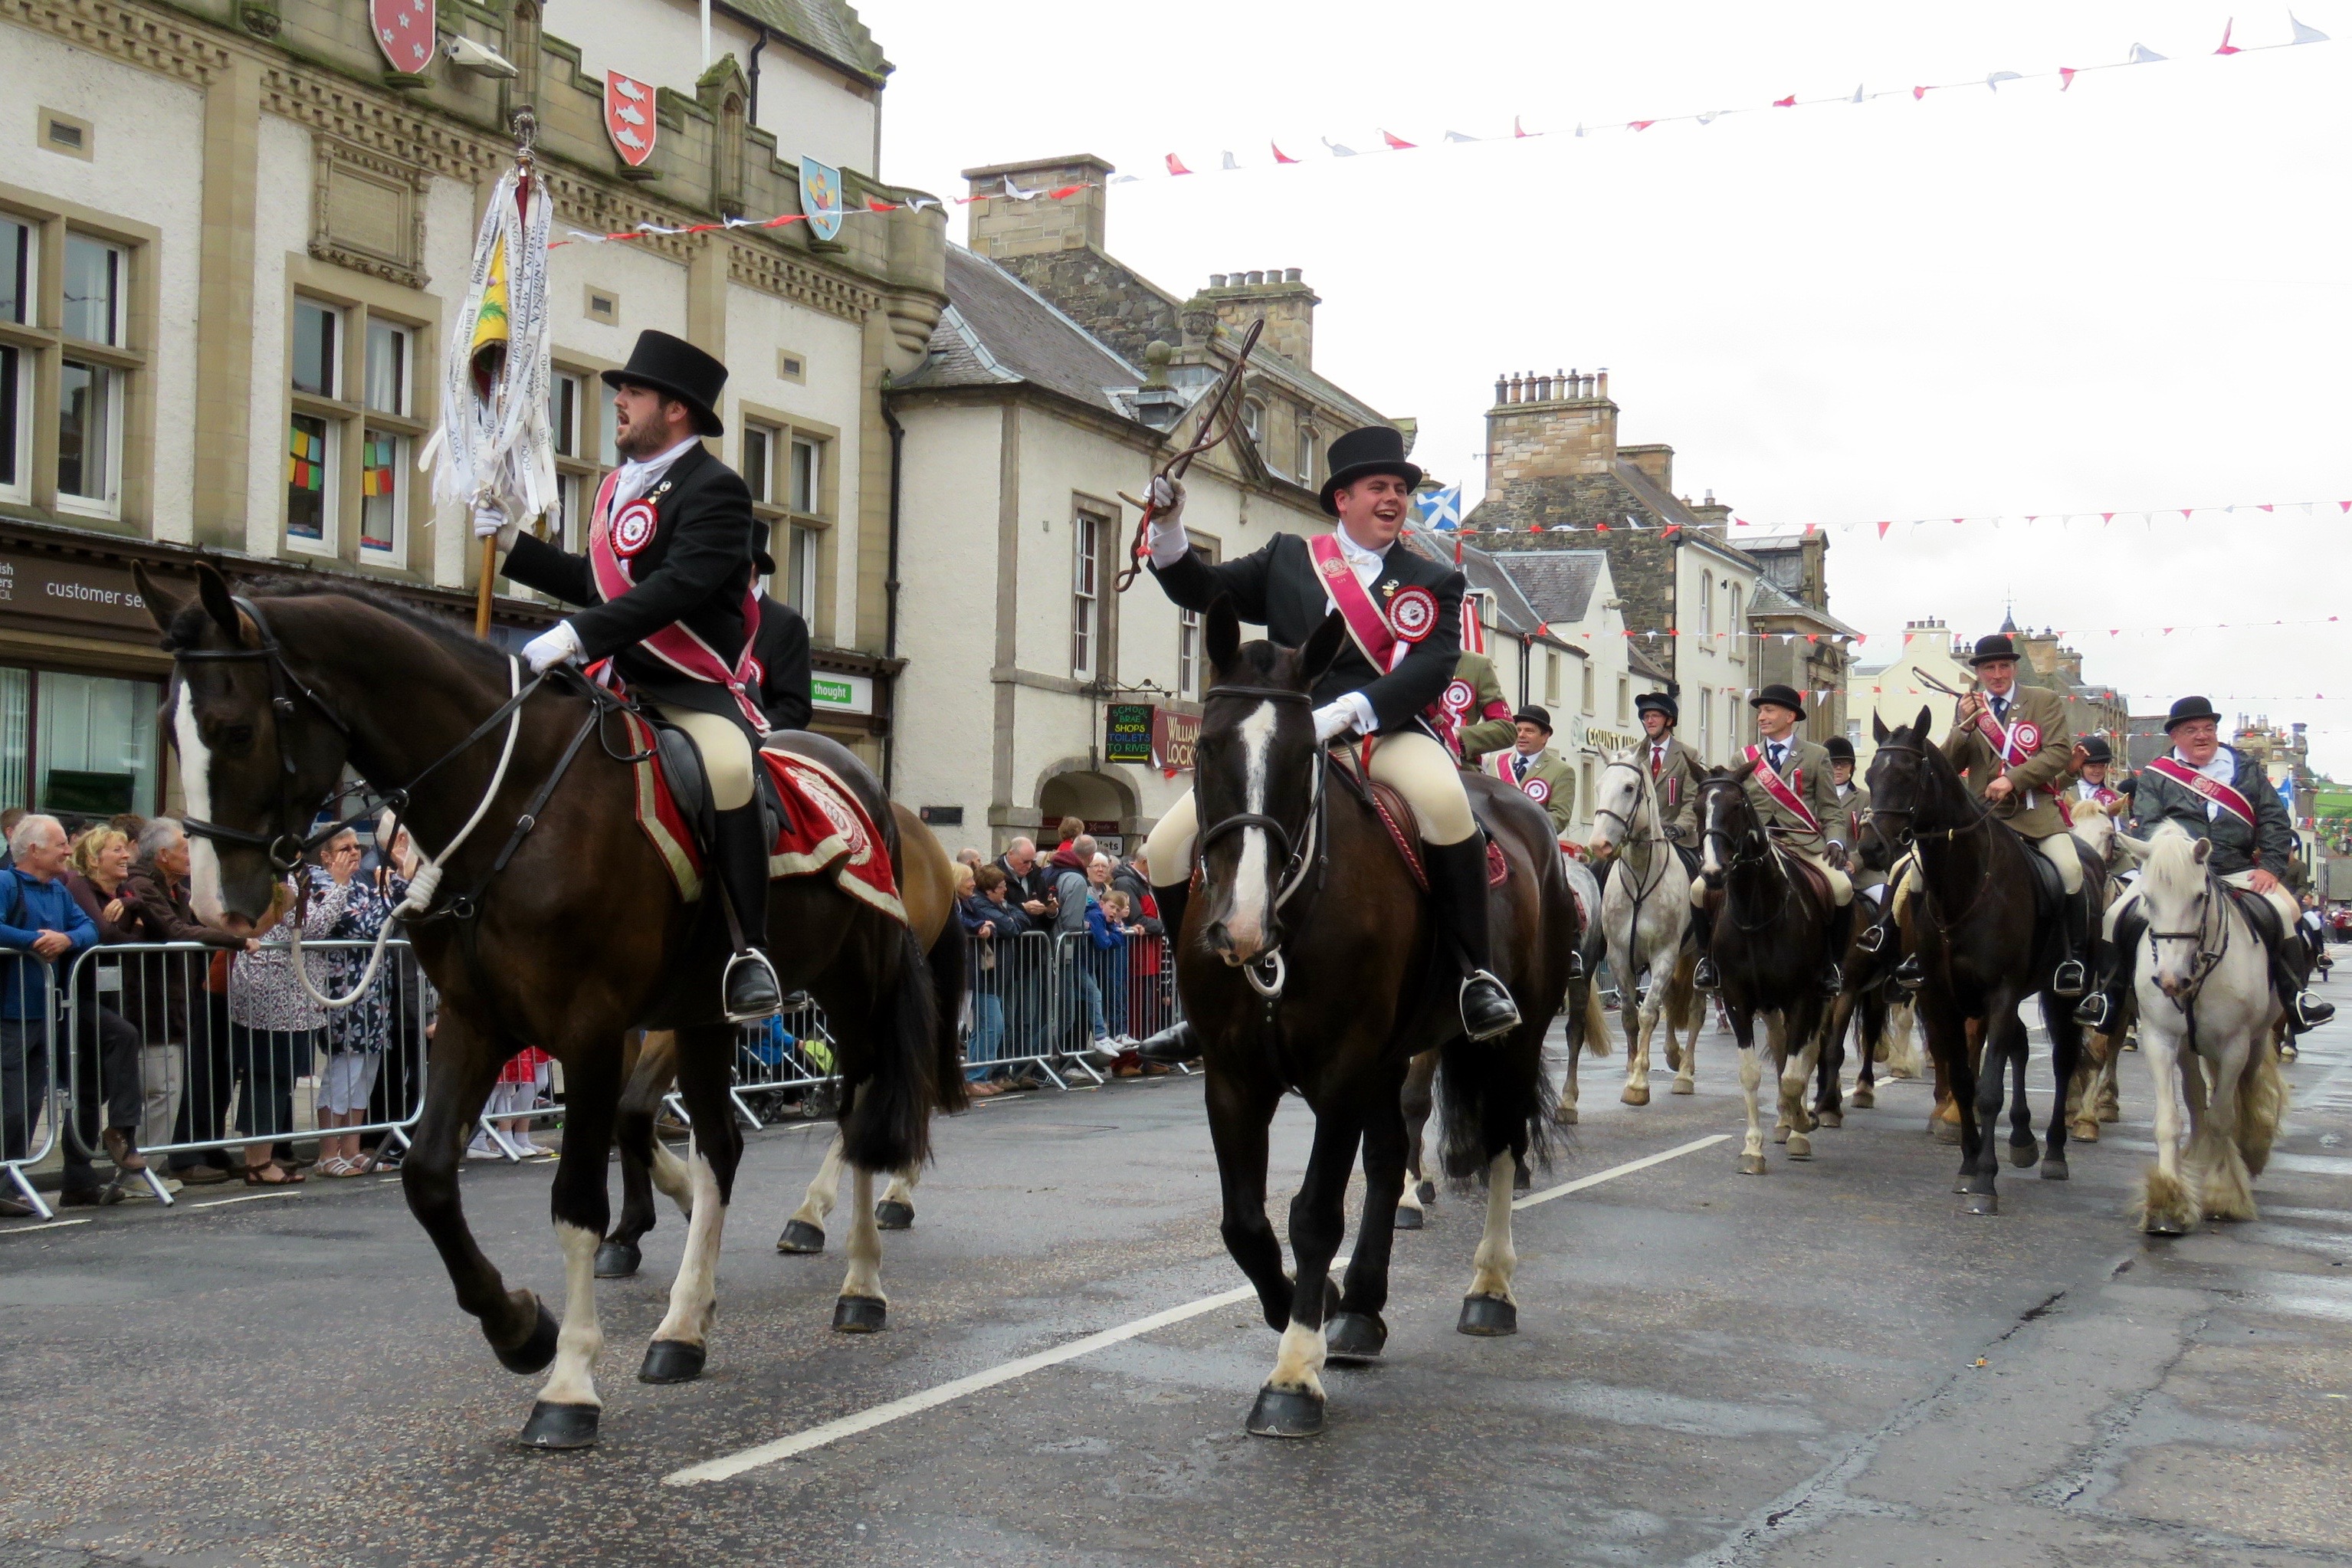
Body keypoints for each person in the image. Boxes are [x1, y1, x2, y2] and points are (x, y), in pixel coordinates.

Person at [1133, 425, 1519, 1065]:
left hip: (1385, 731)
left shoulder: (1433, 578)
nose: (1393, 498)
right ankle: (1196, 1003)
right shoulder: (1289, 558)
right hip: (1289, 738)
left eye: (1400, 488)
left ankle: (1473, 976)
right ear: (1343, 498)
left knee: (1449, 809)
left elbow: (1432, 666)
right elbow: (1200, 589)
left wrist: (1347, 711)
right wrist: (1168, 526)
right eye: (1379, 487)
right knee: (1165, 847)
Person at [485, 328, 782, 1022]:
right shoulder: (617, 486)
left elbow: (677, 588)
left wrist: (577, 632)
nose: (619, 401)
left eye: (634, 392)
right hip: (608, 682)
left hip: (687, 689)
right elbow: (597, 581)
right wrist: (511, 547)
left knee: (731, 768)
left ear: (675, 409)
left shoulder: (718, 491)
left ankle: (750, 951)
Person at [2076, 696, 2334, 1035]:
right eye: (2191, 729)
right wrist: (2177, 859)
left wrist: (2270, 866)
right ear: (2175, 736)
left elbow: (2274, 820)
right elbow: (2149, 822)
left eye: (2208, 728)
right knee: (2113, 916)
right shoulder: (2156, 775)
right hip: (2175, 874)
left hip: (2237, 867)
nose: (2202, 736)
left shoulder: (2245, 769)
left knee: (2287, 913)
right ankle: (2108, 1000)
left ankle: (2296, 999)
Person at [1913, 634, 2088, 996]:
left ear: (2014, 668)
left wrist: (2013, 779)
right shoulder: (1969, 708)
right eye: (1989, 667)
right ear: (1977, 672)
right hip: (1981, 820)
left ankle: (2073, 960)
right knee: (1915, 876)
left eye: (2004, 666)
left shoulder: (2043, 701)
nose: (1997, 674)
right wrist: (1963, 727)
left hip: (2035, 815)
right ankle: (1915, 955)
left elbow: (2057, 754)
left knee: (2071, 872)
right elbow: (1948, 765)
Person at [1693, 685, 1851, 996]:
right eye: (1760, 712)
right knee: (1699, 890)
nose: (1761, 717)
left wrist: (1836, 842)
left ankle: (1832, 964)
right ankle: (1708, 962)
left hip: (1803, 843)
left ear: (1790, 716)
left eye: (1769, 711)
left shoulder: (1817, 755)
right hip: (1755, 846)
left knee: (1843, 888)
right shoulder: (1745, 757)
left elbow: (1832, 810)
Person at [121, 819, 252, 1185]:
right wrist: (236, 940)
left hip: (177, 999)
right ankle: (139, 1171)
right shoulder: (142, 885)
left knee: (169, 1088)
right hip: (151, 1001)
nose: (191, 855)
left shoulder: (175, 888)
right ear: (163, 855)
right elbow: (176, 931)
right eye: (184, 848)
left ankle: (149, 1168)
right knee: (158, 1091)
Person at [0, 816, 99, 1216]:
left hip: (45, 1011)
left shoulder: (58, 890)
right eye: (59, 844)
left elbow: (89, 928)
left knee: (31, 1100)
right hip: (9, 1013)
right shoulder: (6, 884)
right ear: (34, 850)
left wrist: (67, 939)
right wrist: (35, 942)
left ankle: (12, 1178)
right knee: (10, 1103)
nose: (67, 850)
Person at [227, 866, 345, 1185]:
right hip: (274, 993)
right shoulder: (277, 882)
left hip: (286, 994)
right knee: (270, 1077)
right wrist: (342, 886)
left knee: (276, 1079)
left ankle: (263, 1158)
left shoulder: (285, 879)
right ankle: (258, 1162)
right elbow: (312, 927)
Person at [61, 826, 153, 1202]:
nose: (126, 855)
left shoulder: (127, 893)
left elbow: (159, 935)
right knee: (124, 1034)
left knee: (88, 1089)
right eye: (117, 850)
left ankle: (77, 1182)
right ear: (96, 858)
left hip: (112, 996)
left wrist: (133, 907)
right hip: (76, 997)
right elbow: (104, 935)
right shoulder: (81, 887)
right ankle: (121, 1131)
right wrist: (136, 937)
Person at [312, 827, 406, 1176]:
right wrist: (398, 885)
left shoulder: (363, 883)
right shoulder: (322, 882)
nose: (354, 853)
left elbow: (401, 912)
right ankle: (327, 1151)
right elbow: (367, 926)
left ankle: (351, 1149)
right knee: (344, 1071)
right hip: (343, 991)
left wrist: (398, 878)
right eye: (344, 848)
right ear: (325, 856)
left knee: (365, 1072)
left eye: (357, 847)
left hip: (374, 994)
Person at [959, 864, 1028, 1097]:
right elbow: (1009, 926)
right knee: (992, 1026)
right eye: (1000, 888)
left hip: (994, 977)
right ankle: (975, 1076)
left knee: (988, 1028)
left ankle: (980, 1075)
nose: (1005, 892)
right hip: (983, 978)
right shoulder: (978, 903)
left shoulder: (977, 904)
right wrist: (992, 923)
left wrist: (1002, 920)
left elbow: (1016, 920)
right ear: (988, 891)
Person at [1477, 705, 1578, 838]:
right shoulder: (1493, 763)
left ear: (1545, 736)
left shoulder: (1561, 771)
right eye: (1518, 730)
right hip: (1493, 840)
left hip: (1531, 845)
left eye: (1529, 731)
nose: (1521, 735)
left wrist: (1522, 828)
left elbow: (1560, 817)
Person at [1634, 693, 1709, 847]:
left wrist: (1679, 828)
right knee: (1597, 869)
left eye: (1655, 716)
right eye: (1646, 716)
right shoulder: (1630, 754)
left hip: (1676, 839)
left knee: (1699, 869)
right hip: (1637, 839)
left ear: (1669, 720)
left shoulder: (1688, 755)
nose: (1649, 721)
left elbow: (1692, 801)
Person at [1438, 644, 1517, 766]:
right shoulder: (1399, 657)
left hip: (1457, 765)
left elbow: (1506, 729)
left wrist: (1458, 734)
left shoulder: (1477, 665)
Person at [750, 590, 813, 733]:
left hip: (756, 746)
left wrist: (747, 728)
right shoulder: (710, 617)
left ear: (752, 567)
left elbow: (795, 709)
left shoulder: (785, 622)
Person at [995, 837, 1055, 922]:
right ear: (1011, 854)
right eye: (1025, 862)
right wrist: (1023, 908)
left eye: (1032, 861)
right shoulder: (994, 874)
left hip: (1036, 932)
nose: (1029, 866)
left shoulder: (1035, 872)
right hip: (1009, 932)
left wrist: (1052, 911)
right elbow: (991, 908)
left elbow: (1045, 902)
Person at [2068, 734, 2125, 809]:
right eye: (2092, 766)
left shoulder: (2119, 798)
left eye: (2102, 766)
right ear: (2080, 767)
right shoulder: (2064, 795)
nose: (2098, 771)